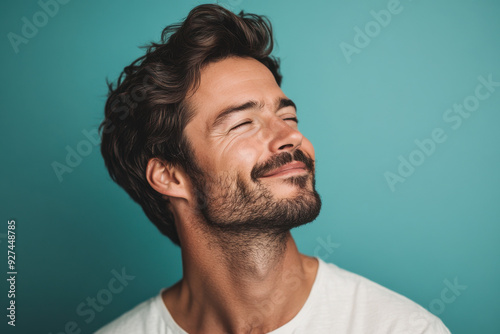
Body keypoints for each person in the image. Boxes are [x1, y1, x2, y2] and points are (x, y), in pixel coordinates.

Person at [96, 4, 450, 334]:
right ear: (170, 176)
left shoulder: (403, 327)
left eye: (288, 116)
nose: (291, 137)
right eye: (243, 123)